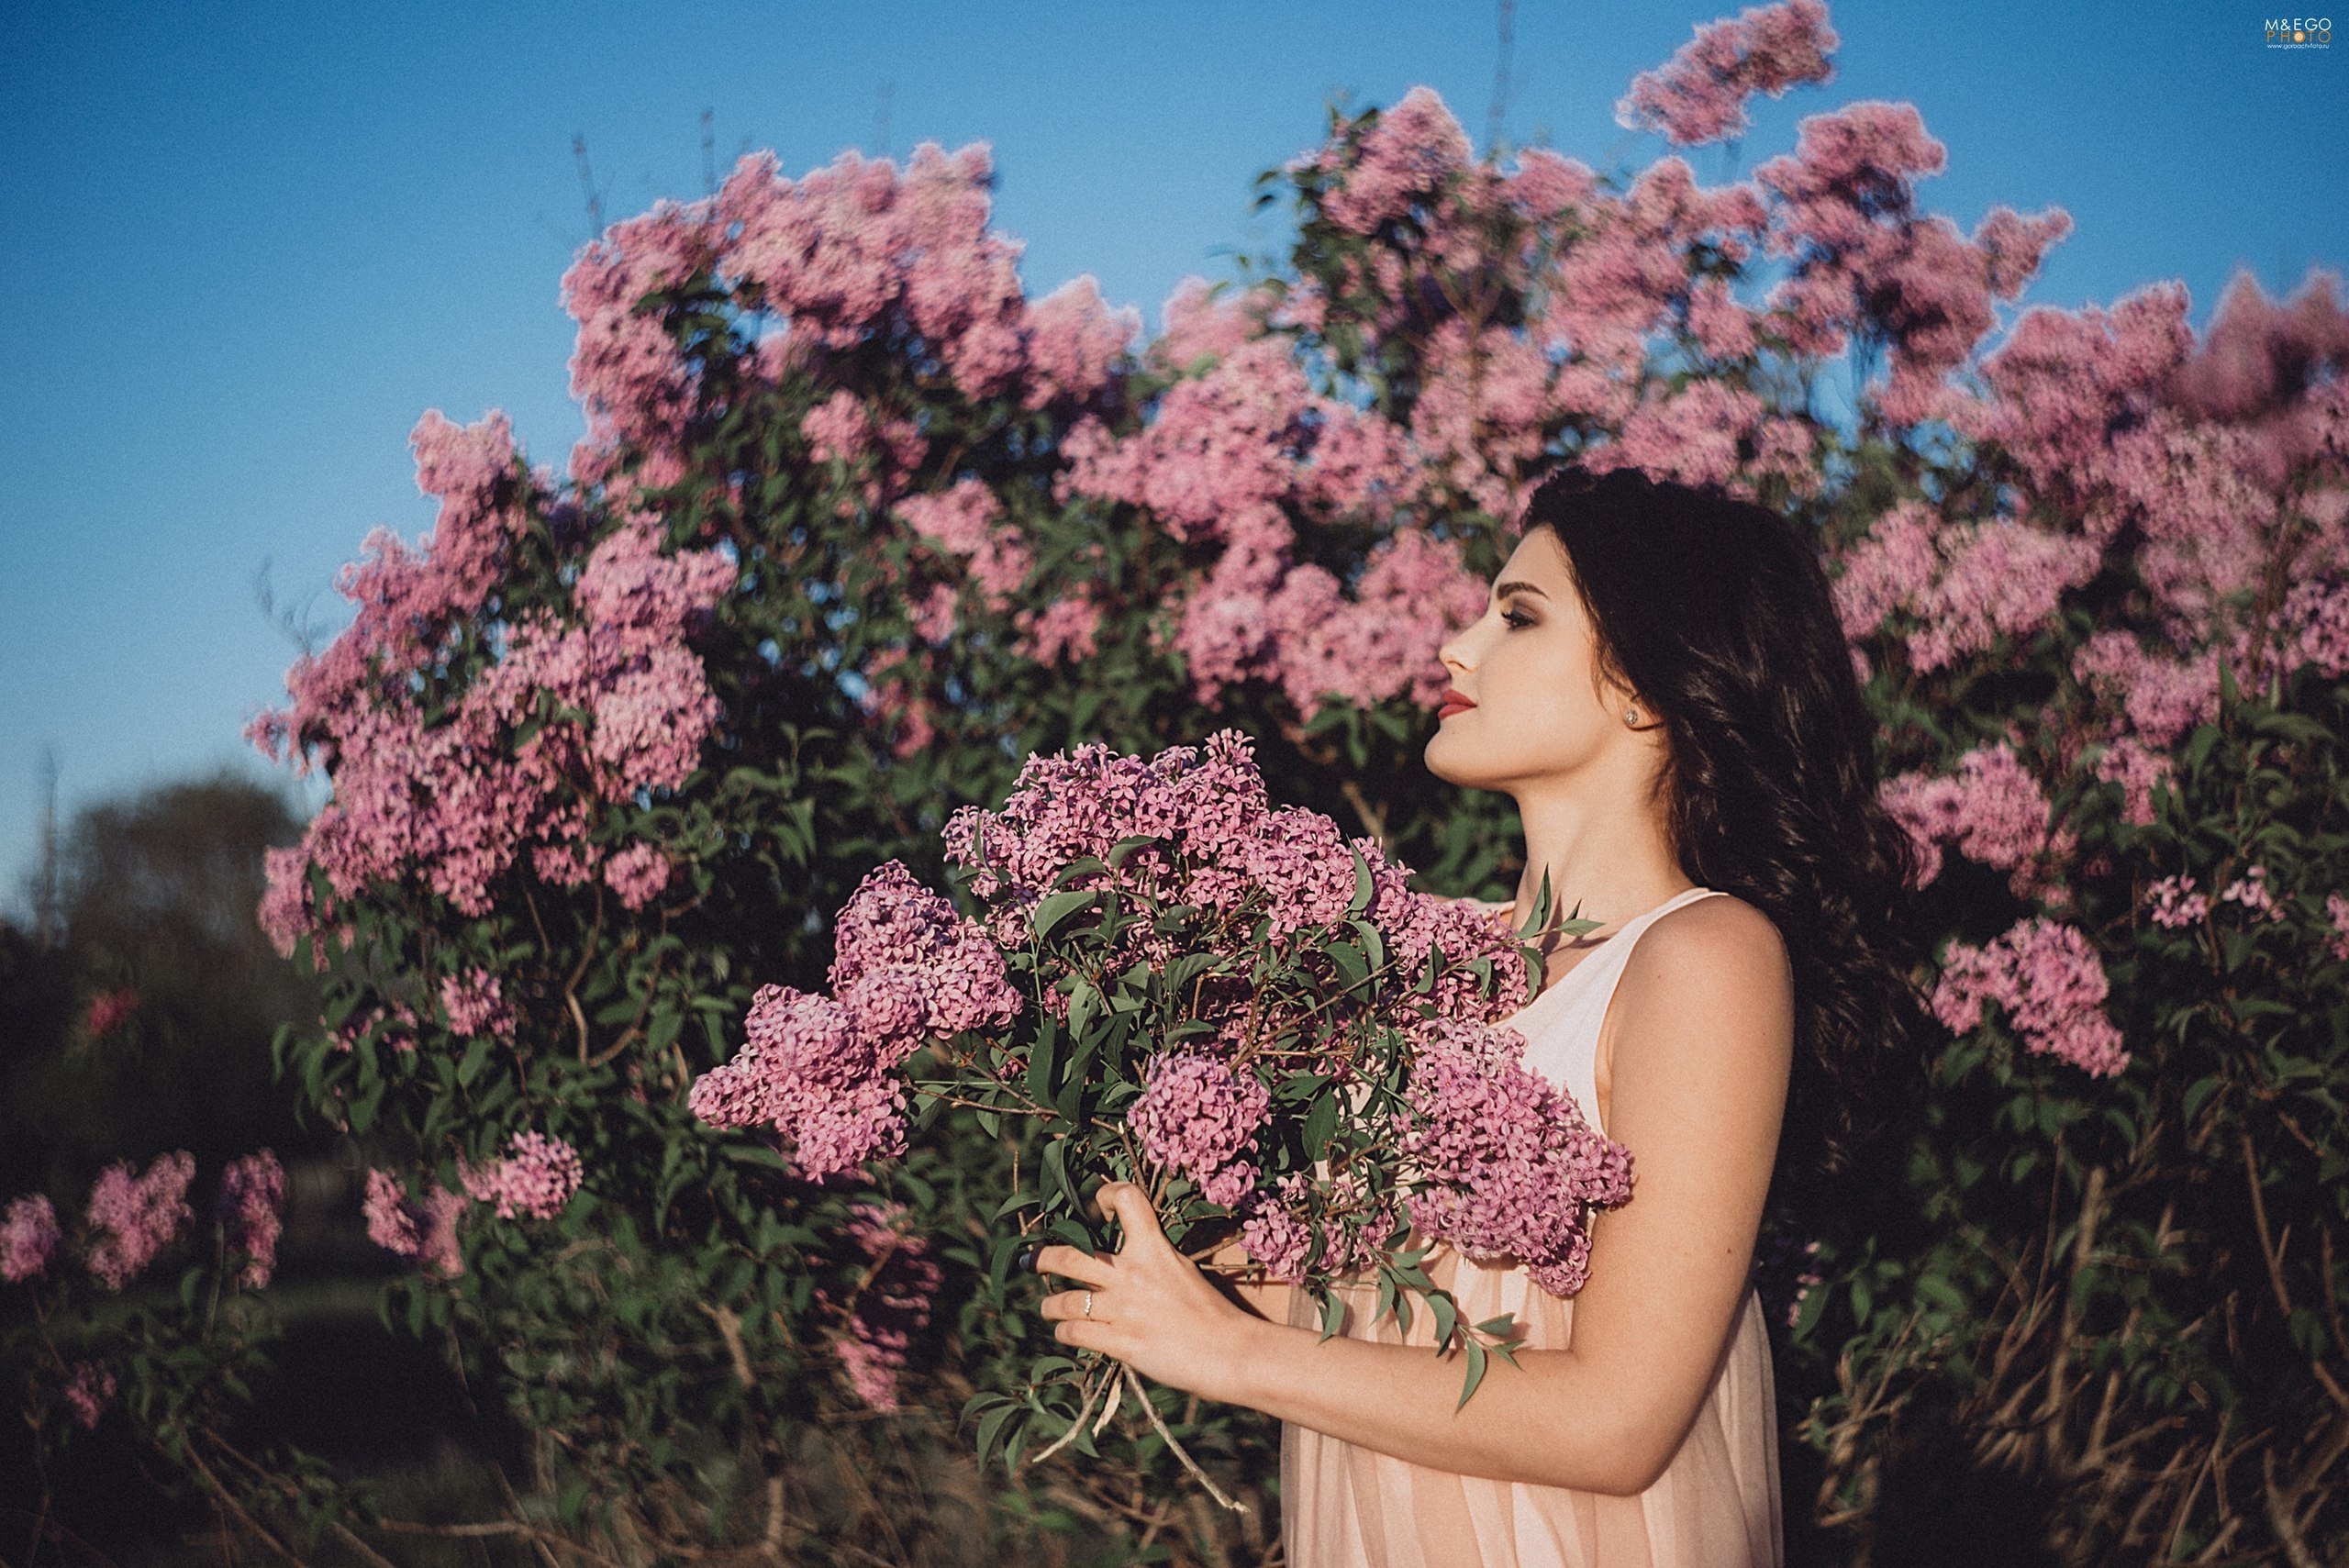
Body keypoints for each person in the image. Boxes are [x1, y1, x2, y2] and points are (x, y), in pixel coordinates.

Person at [1033, 466, 1931, 1567]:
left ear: (1646, 686)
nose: (1457, 647)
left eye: (1515, 616)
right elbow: (1372, 1306)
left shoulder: (1704, 956)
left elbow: (1618, 1419)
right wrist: (1161, 1243)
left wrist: (1222, 1352)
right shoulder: (1417, 951)